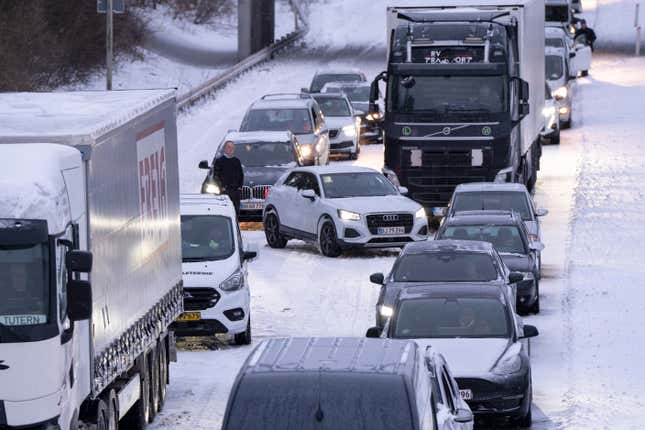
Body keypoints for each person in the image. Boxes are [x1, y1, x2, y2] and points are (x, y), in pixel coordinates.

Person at [213, 141, 244, 217]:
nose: (230, 149)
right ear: (225, 149)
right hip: (224, 193)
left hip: (235, 193)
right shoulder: (219, 161)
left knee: (236, 213)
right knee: (225, 213)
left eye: (232, 148)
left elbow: (241, 175)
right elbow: (216, 177)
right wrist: (222, 188)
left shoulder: (236, 161)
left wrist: (240, 187)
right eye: (229, 147)